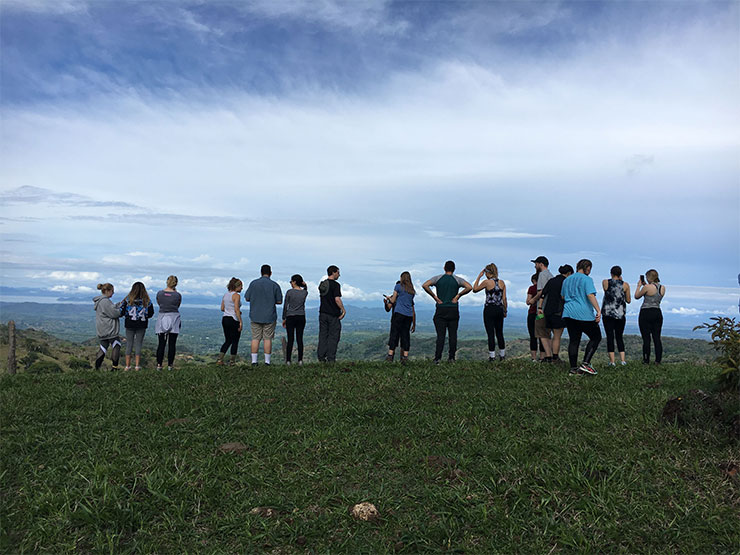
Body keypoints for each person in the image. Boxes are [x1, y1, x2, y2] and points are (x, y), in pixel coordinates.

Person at [422, 260, 473, 363]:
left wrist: (435, 297)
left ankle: (437, 358)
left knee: (441, 336)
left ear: (444, 268)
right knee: (452, 335)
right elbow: (469, 287)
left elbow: (425, 285)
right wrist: (458, 296)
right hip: (453, 309)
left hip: (441, 308)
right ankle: (451, 358)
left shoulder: (438, 278)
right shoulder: (457, 280)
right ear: (454, 269)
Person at [561, 259, 601, 375]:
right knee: (596, 337)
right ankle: (585, 364)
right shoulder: (587, 279)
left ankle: (573, 369)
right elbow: (590, 295)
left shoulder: (567, 280)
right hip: (583, 313)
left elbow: (563, 296)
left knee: (574, 340)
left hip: (568, 313)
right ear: (587, 267)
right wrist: (598, 310)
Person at [244, 265, 283, 366]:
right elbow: (279, 301)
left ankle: (254, 361)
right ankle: (267, 362)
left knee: (255, 338)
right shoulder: (274, 285)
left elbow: (247, 298)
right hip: (269, 315)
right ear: (270, 273)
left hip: (255, 315)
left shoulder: (253, 284)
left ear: (260, 272)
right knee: (267, 338)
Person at [473, 263, 507, 362]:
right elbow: (504, 299)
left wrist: (479, 277)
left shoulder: (487, 282)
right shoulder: (502, 283)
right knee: (499, 333)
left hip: (489, 309)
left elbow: (475, 289)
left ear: (488, 272)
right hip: (499, 309)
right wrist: (505, 310)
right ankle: (502, 355)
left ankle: (492, 357)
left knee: (490, 333)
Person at [541, 264, 574, 364]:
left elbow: (543, 293)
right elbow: (565, 296)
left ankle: (549, 356)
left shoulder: (552, 281)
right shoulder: (566, 282)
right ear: (569, 273)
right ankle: (555, 358)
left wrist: (539, 307)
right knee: (557, 336)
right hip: (559, 312)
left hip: (547, 311)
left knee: (549, 334)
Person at [119, 281, 154, 371]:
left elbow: (121, 312)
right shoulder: (147, 301)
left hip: (129, 324)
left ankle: (127, 366)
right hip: (141, 324)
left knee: (129, 344)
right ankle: (137, 366)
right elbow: (150, 313)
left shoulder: (127, 300)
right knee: (138, 344)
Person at [383, 271, 416, 364]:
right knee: (405, 335)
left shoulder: (398, 287)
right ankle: (405, 357)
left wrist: (389, 299)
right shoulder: (412, 291)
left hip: (399, 314)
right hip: (408, 315)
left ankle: (390, 356)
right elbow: (411, 305)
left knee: (394, 334)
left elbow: (393, 300)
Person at [601, 266, 631, 366]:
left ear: (611, 273)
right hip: (620, 314)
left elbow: (606, 289)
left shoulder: (606, 282)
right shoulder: (625, 285)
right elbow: (628, 300)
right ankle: (623, 360)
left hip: (608, 313)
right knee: (619, 337)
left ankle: (612, 361)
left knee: (610, 336)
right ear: (620, 274)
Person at [634, 269, 665, 364]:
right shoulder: (662, 287)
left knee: (646, 338)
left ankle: (646, 360)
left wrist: (639, 286)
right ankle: (658, 360)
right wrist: (645, 285)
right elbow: (653, 291)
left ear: (648, 277)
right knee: (657, 338)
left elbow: (637, 296)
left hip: (646, 312)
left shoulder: (646, 287)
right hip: (657, 312)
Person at [317, 265, 345, 362]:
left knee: (323, 335)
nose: (339, 275)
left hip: (323, 313)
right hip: (333, 314)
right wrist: (343, 310)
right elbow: (337, 299)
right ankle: (331, 358)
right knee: (333, 337)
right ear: (333, 272)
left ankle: (321, 357)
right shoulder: (335, 285)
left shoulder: (323, 284)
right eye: (338, 272)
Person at [529, 256, 554, 362]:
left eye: (536, 263)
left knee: (540, 332)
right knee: (547, 333)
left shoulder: (542, 275)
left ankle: (546, 357)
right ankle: (549, 356)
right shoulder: (550, 275)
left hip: (541, 309)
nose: (535, 266)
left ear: (541, 264)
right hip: (550, 308)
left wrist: (533, 301)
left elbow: (541, 292)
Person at [93, 283, 122, 371]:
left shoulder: (100, 301)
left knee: (103, 347)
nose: (113, 293)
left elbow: (110, 309)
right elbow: (114, 313)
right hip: (109, 329)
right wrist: (121, 310)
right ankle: (114, 367)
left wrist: (118, 305)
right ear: (107, 291)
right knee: (116, 345)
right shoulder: (105, 301)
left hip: (102, 329)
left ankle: (97, 368)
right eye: (112, 291)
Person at [155, 275, 182, 371]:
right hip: (174, 317)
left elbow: (159, 303)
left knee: (161, 343)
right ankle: (170, 365)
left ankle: (159, 365)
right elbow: (177, 305)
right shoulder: (177, 295)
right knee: (172, 343)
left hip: (162, 317)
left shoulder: (160, 293)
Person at [282, 274, 308, 365]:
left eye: (291, 281)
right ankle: (300, 360)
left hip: (290, 316)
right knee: (299, 339)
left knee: (290, 339)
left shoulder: (289, 292)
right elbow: (306, 289)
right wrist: (304, 285)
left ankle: (288, 360)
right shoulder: (304, 293)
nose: (290, 283)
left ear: (294, 282)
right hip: (301, 316)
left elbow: (286, 306)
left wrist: (284, 318)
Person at [218, 278, 243, 365]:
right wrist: (240, 321)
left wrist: (229, 310)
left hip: (225, 318)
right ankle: (232, 361)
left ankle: (220, 359)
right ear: (237, 286)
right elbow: (236, 309)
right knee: (235, 341)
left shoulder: (225, 295)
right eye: (241, 286)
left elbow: (222, 308)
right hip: (233, 319)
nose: (242, 288)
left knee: (228, 340)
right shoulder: (236, 296)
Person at [525, 273, 545, 362]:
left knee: (533, 336)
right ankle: (542, 357)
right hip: (541, 314)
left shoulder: (532, 288)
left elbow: (528, 301)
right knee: (542, 336)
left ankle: (533, 358)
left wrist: (533, 299)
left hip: (532, 313)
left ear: (533, 280)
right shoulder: (544, 289)